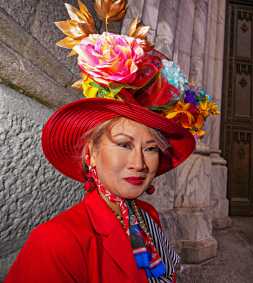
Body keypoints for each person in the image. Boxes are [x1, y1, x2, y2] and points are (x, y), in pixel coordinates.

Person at [4, 1, 218, 282]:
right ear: (90, 153)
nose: (139, 163)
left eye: (151, 148)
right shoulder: (56, 242)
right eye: (124, 144)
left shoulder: (147, 216)